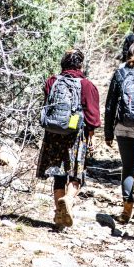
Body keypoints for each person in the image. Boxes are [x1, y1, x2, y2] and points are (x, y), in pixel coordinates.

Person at [36, 49, 101, 228]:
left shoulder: (52, 81)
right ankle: (69, 200)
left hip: (53, 134)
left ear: (63, 63)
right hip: (75, 135)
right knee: (76, 174)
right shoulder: (86, 85)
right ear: (80, 64)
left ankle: (59, 215)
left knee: (58, 174)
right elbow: (92, 115)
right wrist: (91, 136)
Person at [104, 42, 134, 223]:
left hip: (122, 125)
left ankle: (126, 210)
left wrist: (108, 132)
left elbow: (110, 105)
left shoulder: (119, 74)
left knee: (127, 166)